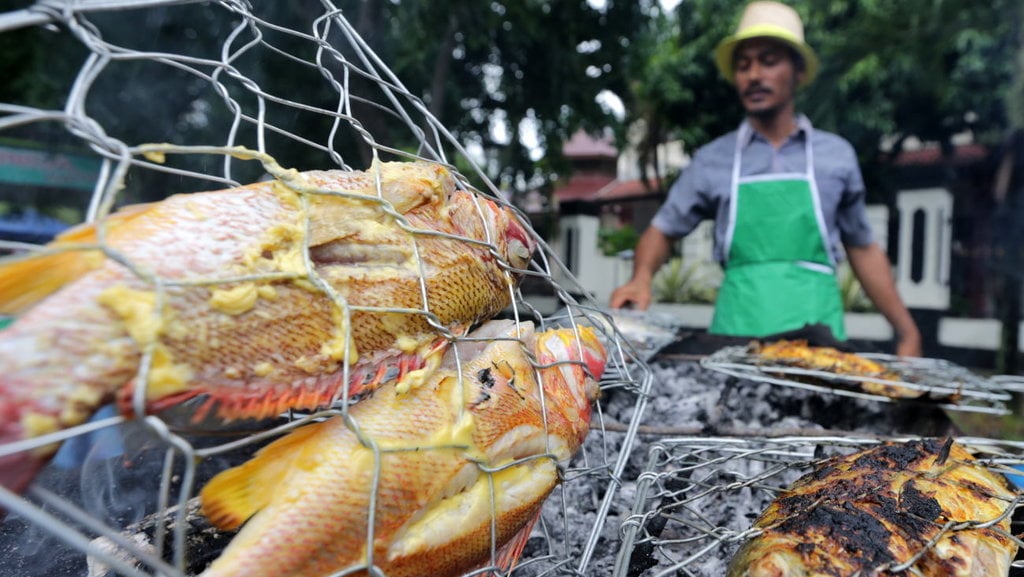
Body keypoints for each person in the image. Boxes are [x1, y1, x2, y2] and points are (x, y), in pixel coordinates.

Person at [609, 1, 922, 357]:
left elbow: (863, 247)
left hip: (820, 341)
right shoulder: (713, 160)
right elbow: (663, 228)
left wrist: (906, 330)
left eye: (768, 61)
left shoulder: (837, 156)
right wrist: (641, 277)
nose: (754, 75)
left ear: (798, 70)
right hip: (735, 337)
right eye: (743, 66)